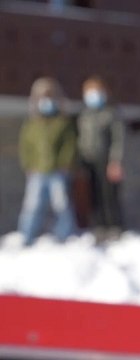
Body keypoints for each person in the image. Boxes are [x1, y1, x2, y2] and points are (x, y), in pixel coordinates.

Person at [16, 77, 77, 245]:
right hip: (37, 171)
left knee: (62, 203)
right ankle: (27, 235)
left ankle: (65, 234)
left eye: (50, 97)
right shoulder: (32, 124)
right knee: (32, 205)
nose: (47, 102)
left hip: (58, 170)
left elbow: (69, 145)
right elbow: (25, 147)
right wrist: (28, 165)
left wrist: (65, 163)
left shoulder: (62, 123)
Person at [77, 76, 126, 240]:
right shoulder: (84, 115)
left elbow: (118, 139)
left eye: (96, 92)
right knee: (94, 196)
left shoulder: (111, 113)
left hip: (106, 160)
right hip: (89, 160)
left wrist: (115, 161)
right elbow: (81, 139)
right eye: (89, 92)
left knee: (109, 195)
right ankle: (99, 227)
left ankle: (114, 227)